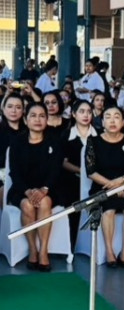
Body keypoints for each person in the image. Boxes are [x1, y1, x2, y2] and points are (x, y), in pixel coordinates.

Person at [6, 102, 64, 271]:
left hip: (49, 188)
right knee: (27, 205)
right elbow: (14, 173)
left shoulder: (55, 142)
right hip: (22, 189)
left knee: (44, 203)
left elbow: (56, 171)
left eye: (41, 116)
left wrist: (44, 189)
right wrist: (28, 191)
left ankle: (43, 251)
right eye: (33, 116)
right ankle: (33, 249)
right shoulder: (17, 142)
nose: (37, 120)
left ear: (47, 120)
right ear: (26, 120)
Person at [85, 106, 124, 268]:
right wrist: (112, 186)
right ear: (102, 122)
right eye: (108, 117)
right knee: (108, 211)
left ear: (123, 122)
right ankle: (109, 251)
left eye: (117, 117)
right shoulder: (93, 141)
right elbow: (91, 171)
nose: (112, 120)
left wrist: (121, 182)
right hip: (101, 186)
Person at [60, 99, 98, 247]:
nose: (86, 115)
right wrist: (81, 171)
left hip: (96, 179)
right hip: (72, 179)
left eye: (89, 112)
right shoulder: (66, 135)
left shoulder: (99, 134)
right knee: (72, 202)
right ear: (74, 114)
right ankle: (72, 244)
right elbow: (63, 162)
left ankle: (93, 244)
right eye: (81, 112)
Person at [0, 93, 26, 207]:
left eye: (18, 107)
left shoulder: (29, 132)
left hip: (24, 176)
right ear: (3, 109)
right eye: (10, 106)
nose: (14, 111)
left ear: (23, 110)